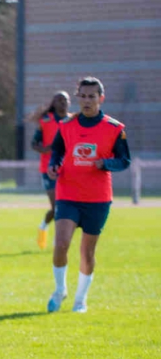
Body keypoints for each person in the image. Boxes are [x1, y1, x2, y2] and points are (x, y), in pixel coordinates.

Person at [46, 77, 130, 314]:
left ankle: (80, 300)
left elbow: (124, 160)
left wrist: (107, 163)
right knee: (61, 243)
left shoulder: (115, 128)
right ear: (77, 97)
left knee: (87, 251)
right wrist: (53, 166)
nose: (86, 100)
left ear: (100, 98)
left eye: (92, 96)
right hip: (68, 192)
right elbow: (57, 153)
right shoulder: (66, 125)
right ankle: (60, 289)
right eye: (82, 96)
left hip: (97, 198)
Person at [31, 91, 71, 250]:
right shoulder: (46, 121)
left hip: (69, 168)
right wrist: (45, 149)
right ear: (53, 103)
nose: (62, 103)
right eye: (59, 100)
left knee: (64, 206)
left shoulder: (73, 120)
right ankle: (45, 228)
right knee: (56, 208)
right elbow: (34, 143)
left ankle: (56, 238)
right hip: (49, 169)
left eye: (65, 100)